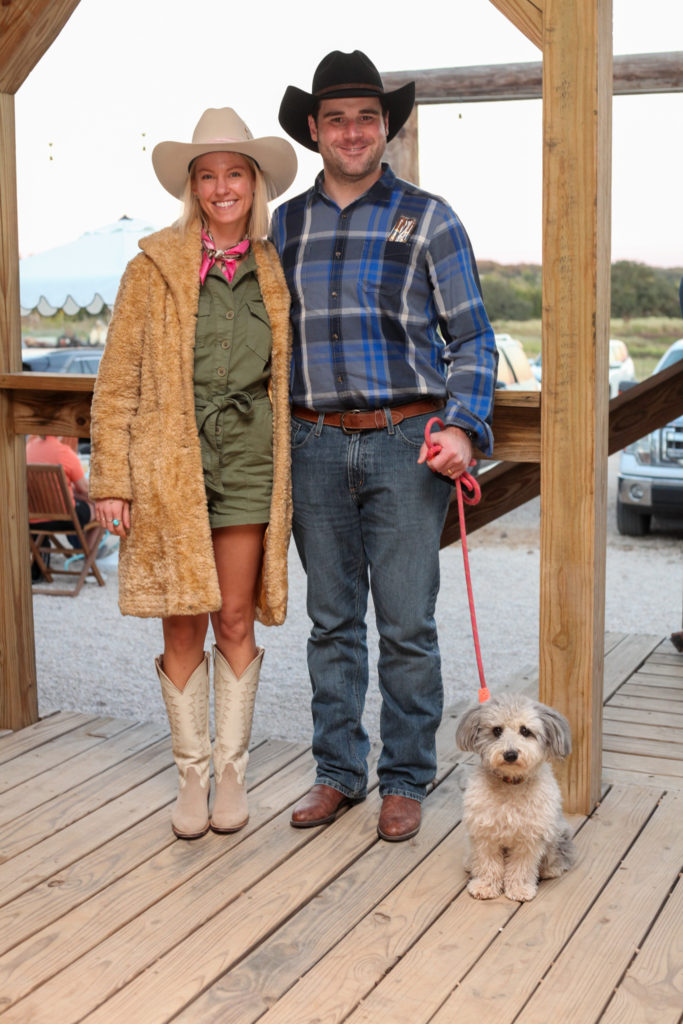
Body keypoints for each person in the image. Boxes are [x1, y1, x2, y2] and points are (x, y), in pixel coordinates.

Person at [271, 51, 498, 842]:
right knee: (331, 621)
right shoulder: (283, 225)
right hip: (311, 444)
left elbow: (471, 336)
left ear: (385, 126)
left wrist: (464, 427)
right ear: (313, 130)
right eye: (335, 117)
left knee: (407, 624)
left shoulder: (428, 218)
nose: (351, 130)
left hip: (408, 444)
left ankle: (404, 777)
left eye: (366, 116)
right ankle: (337, 773)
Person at [89, 108, 297, 840]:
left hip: (248, 457)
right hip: (171, 463)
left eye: (233, 173)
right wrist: (111, 477)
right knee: (181, 618)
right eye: (206, 176)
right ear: (192, 187)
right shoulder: (150, 266)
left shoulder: (274, 265)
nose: (220, 187)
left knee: (234, 615)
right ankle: (191, 776)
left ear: (254, 181)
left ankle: (234, 771)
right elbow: (115, 383)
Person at [26, 434, 95, 578]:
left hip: (33, 520)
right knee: (99, 511)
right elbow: (85, 489)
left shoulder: (28, 449)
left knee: (77, 499)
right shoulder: (63, 452)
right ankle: (88, 565)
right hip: (66, 520)